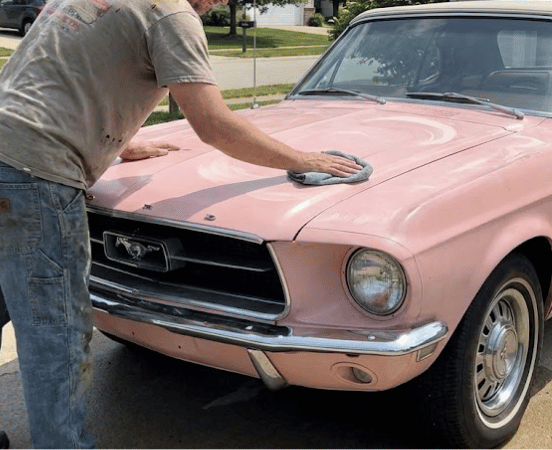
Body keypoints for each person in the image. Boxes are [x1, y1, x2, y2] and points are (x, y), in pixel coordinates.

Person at [0, 0, 362, 447]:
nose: (217, 4)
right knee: (56, 333)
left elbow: (57, 72)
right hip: (33, 172)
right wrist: (300, 158)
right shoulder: (171, 13)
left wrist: (113, 140)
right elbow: (212, 124)